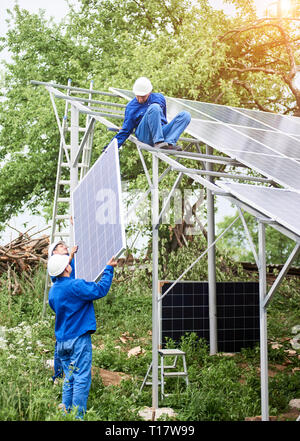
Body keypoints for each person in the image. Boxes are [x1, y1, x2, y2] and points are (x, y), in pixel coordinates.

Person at [47, 253, 117, 419]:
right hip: (78, 339)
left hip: (62, 342)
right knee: (81, 378)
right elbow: (100, 290)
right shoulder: (76, 286)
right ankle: (78, 417)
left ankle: (66, 413)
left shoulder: (53, 291)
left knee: (69, 377)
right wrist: (108, 269)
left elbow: (55, 308)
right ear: (66, 268)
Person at [110, 76, 191, 151]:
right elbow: (125, 130)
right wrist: (110, 149)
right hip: (144, 134)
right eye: (138, 96)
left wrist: (164, 130)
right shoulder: (131, 107)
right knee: (154, 107)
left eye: (143, 96)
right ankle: (158, 142)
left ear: (149, 92)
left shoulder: (159, 98)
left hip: (160, 132)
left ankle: (169, 143)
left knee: (185, 115)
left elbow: (162, 118)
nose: (140, 99)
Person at [48, 240, 78, 382]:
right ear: (54, 252)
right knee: (61, 340)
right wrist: (71, 256)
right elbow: (58, 275)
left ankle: (68, 374)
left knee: (69, 338)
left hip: (71, 302)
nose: (65, 247)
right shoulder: (55, 263)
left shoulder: (68, 260)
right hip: (65, 304)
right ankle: (58, 376)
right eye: (61, 246)